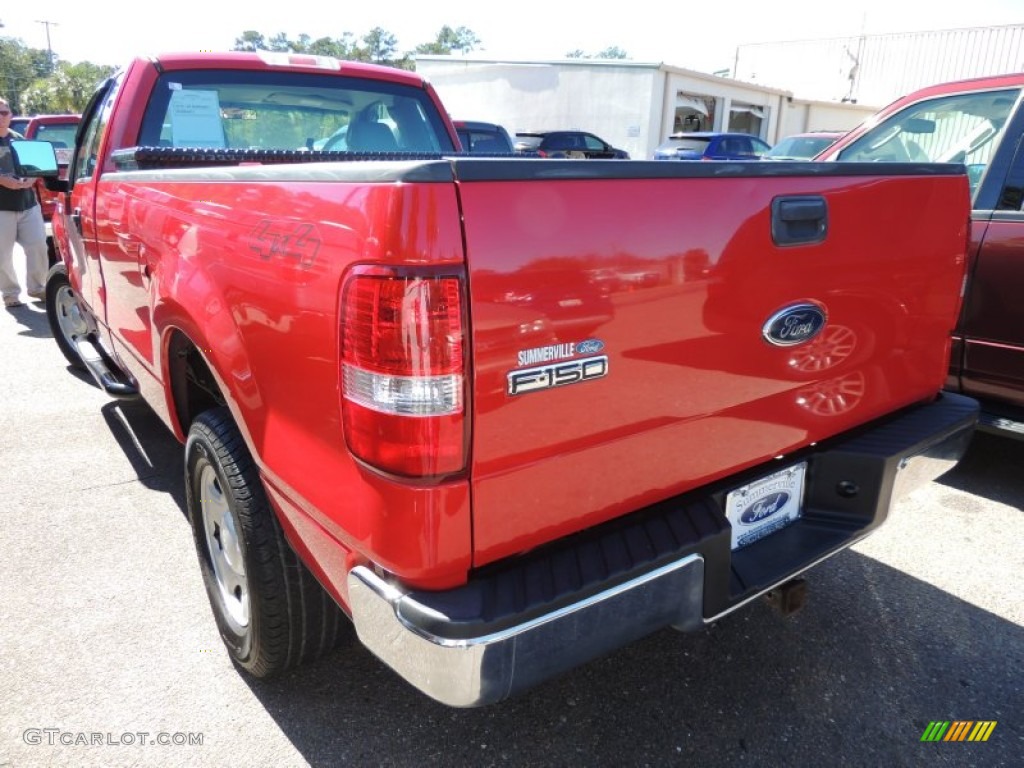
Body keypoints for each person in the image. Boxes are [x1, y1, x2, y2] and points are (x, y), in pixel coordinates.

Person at [0, 97, 49, 309]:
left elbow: (34, 167)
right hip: (2, 207)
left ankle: (38, 288)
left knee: (38, 245)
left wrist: (31, 177)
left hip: (28, 204)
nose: (1, 117)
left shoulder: (19, 138)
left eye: (4, 112)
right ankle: (10, 294)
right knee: (2, 253)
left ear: (11, 115)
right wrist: (3, 181)